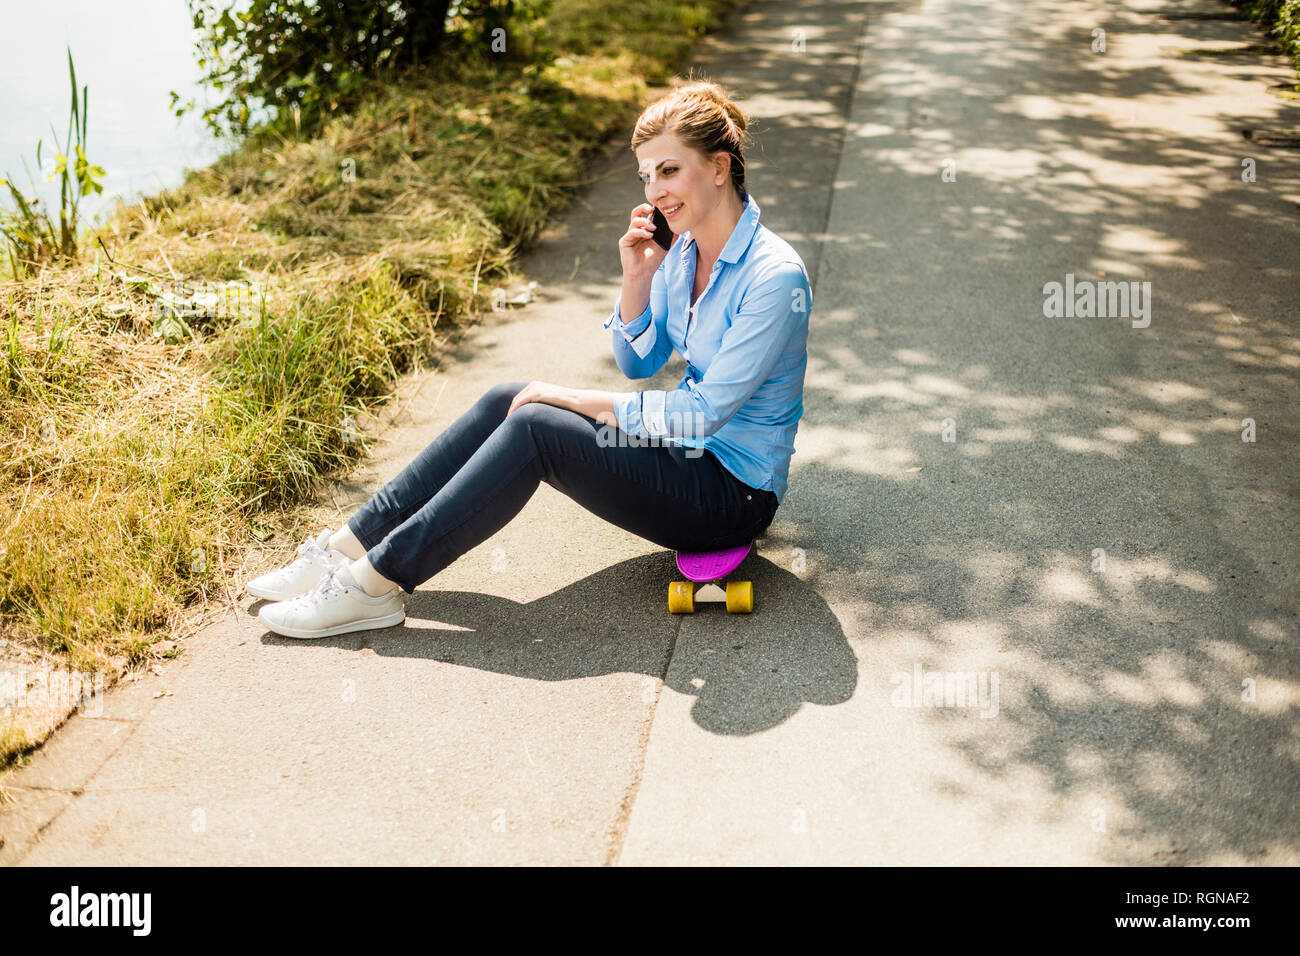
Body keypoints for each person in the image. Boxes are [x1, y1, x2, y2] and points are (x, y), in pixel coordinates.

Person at [250, 79, 813, 639]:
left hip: (732, 492)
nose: (655, 191)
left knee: (538, 426)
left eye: (669, 170)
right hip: (682, 454)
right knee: (507, 399)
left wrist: (570, 398)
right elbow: (639, 363)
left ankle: (372, 586)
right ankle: (344, 548)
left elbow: (703, 413)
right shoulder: (682, 250)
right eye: (646, 175)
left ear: (719, 167)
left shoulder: (773, 278)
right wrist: (636, 278)